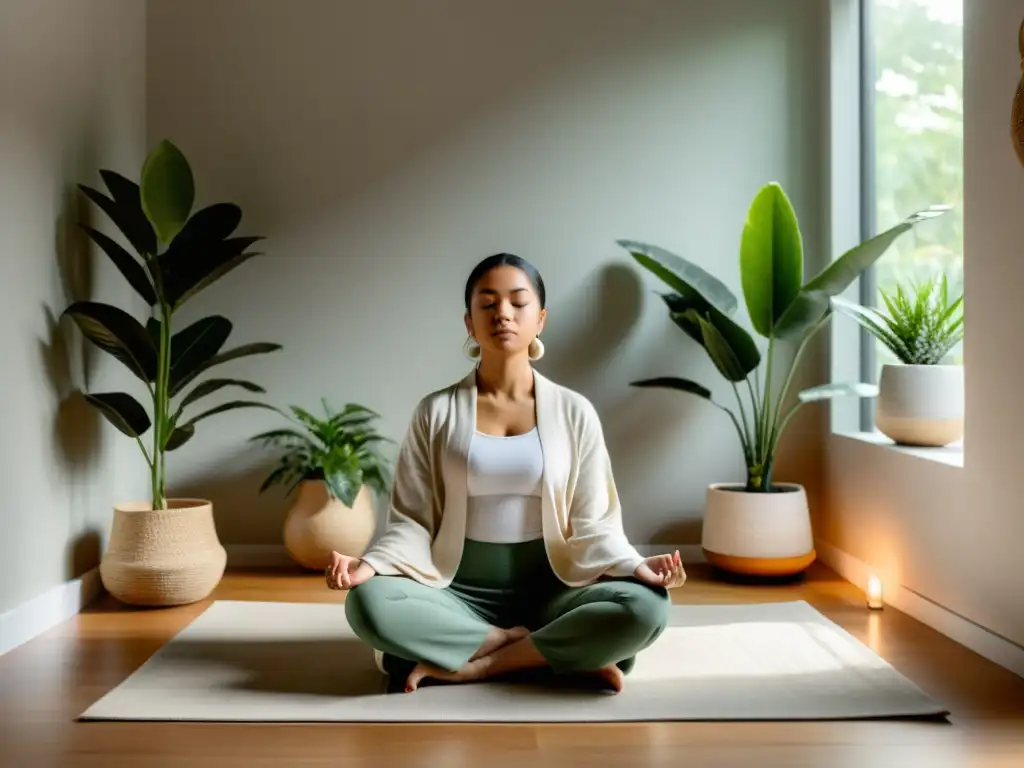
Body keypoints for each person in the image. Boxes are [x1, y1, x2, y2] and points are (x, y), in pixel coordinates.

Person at [325, 253, 686, 694]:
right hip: (455, 591)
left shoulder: (575, 412)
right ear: (469, 323)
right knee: (367, 605)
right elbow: (414, 521)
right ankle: (541, 652)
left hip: (555, 592)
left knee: (646, 609)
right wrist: (371, 564)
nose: (503, 314)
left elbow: (594, 521)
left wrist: (634, 565)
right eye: (488, 303)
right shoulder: (435, 412)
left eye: (518, 302)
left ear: (541, 319)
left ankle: (477, 664)